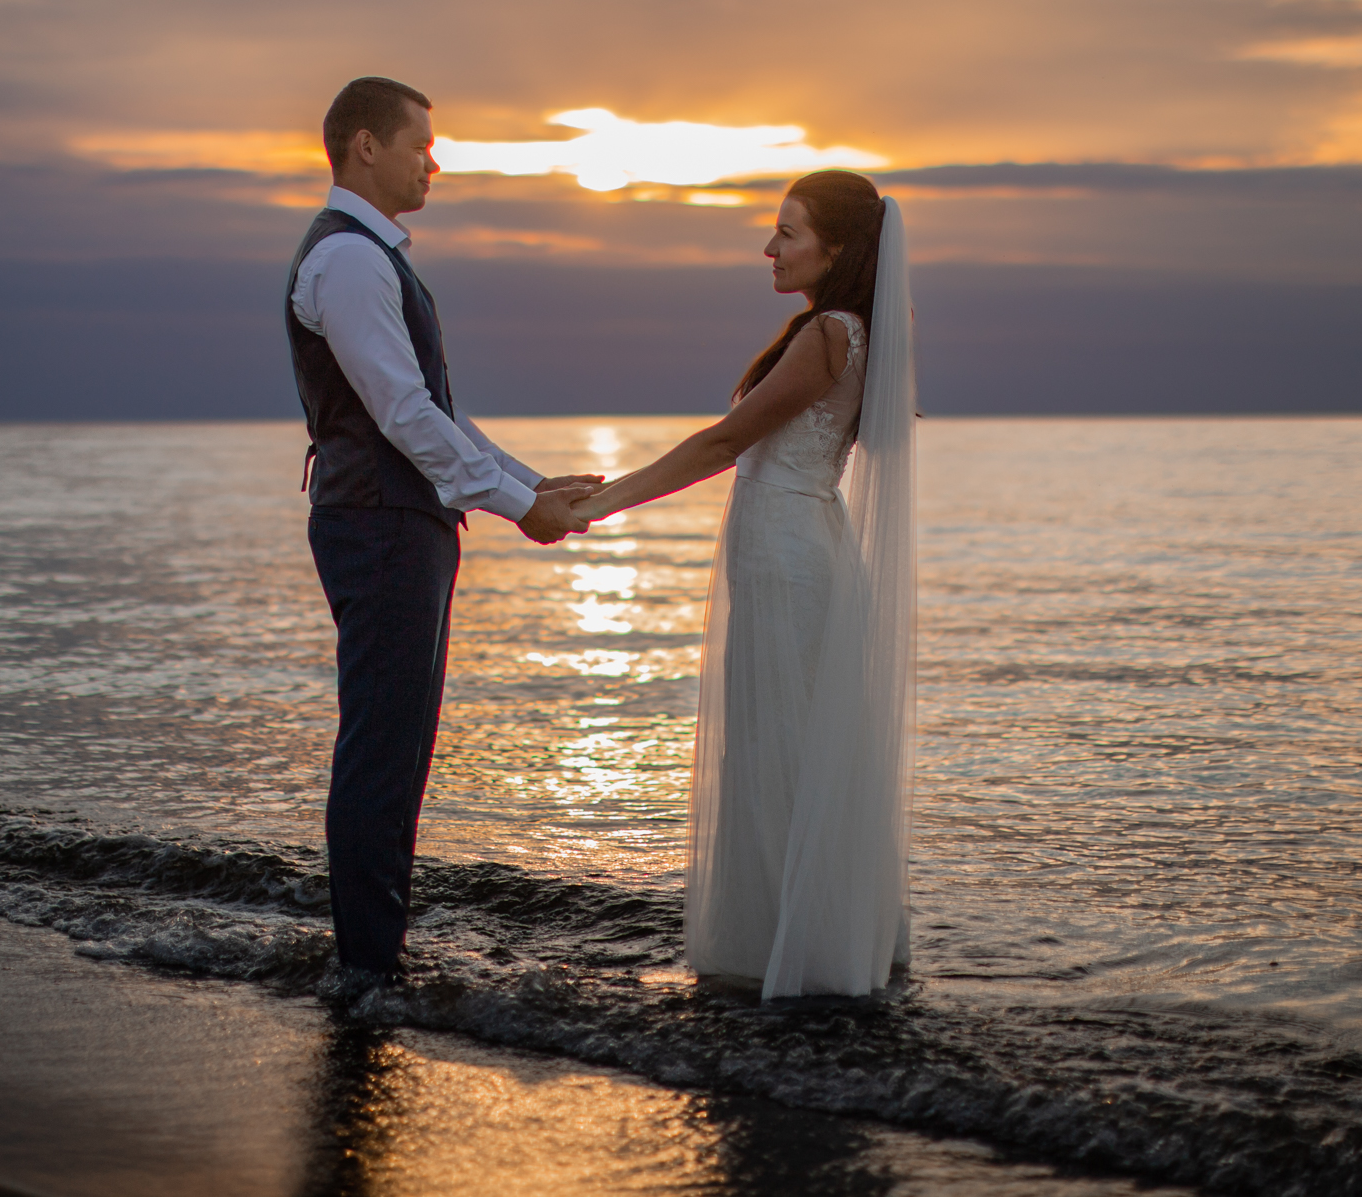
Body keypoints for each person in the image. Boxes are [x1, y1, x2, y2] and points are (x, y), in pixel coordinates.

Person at [563, 171, 916, 998]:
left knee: (779, 748)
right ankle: (802, 942)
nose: (770, 247)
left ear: (837, 246)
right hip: (800, 540)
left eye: (788, 232)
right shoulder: (860, 331)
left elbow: (724, 443)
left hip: (790, 550)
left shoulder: (829, 333)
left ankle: (791, 960)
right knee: (787, 745)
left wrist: (601, 504)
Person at [285, 75, 599, 993]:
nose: (435, 159)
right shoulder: (347, 259)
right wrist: (516, 505)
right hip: (379, 524)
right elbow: (402, 414)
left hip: (398, 521)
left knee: (400, 743)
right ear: (363, 146)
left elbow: (434, 412)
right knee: (383, 745)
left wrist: (529, 479)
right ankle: (367, 973)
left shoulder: (373, 255)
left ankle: (374, 958)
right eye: (420, 141)